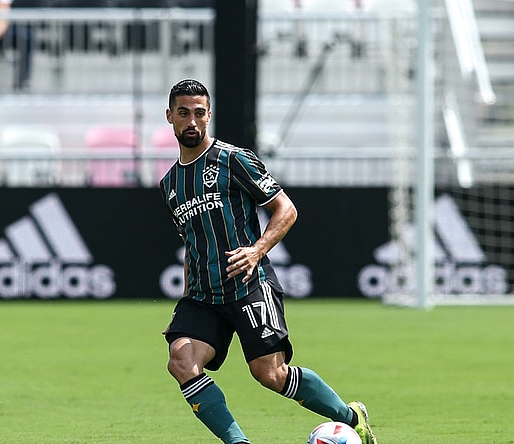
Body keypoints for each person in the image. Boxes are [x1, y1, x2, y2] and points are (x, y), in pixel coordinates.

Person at [158, 79, 377, 444]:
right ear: (170, 117)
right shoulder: (169, 184)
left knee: (270, 374)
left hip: (248, 285)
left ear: (209, 115)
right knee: (180, 360)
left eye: (199, 113)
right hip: (202, 297)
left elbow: (285, 210)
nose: (192, 121)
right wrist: (185, 300)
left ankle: (352, 417)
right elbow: (191, 242)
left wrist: (257, 250)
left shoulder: (232, 159)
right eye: (184, 114)